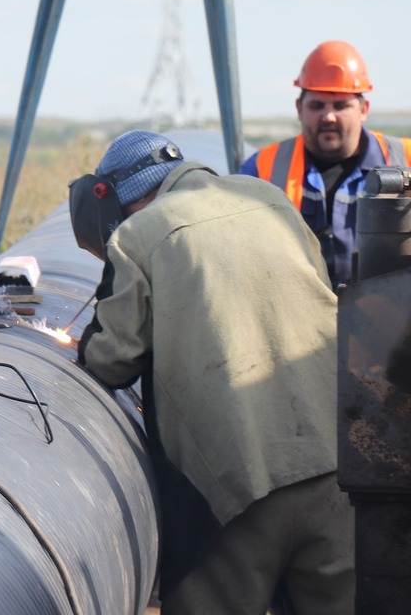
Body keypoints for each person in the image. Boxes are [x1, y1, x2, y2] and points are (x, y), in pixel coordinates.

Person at [70, 130, 353, 614]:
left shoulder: (139, 235)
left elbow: (109, 360)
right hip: (334, 465)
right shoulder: (269, 199)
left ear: (120, 199)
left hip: (232, 488)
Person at [239, 40, 411, 288]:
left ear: (364, 109)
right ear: (299, 108)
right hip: (297, 316)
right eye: (317, 106)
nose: (328, 116)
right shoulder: (262, 168)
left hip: (392, 317)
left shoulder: (405, 157)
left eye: (341, 106)